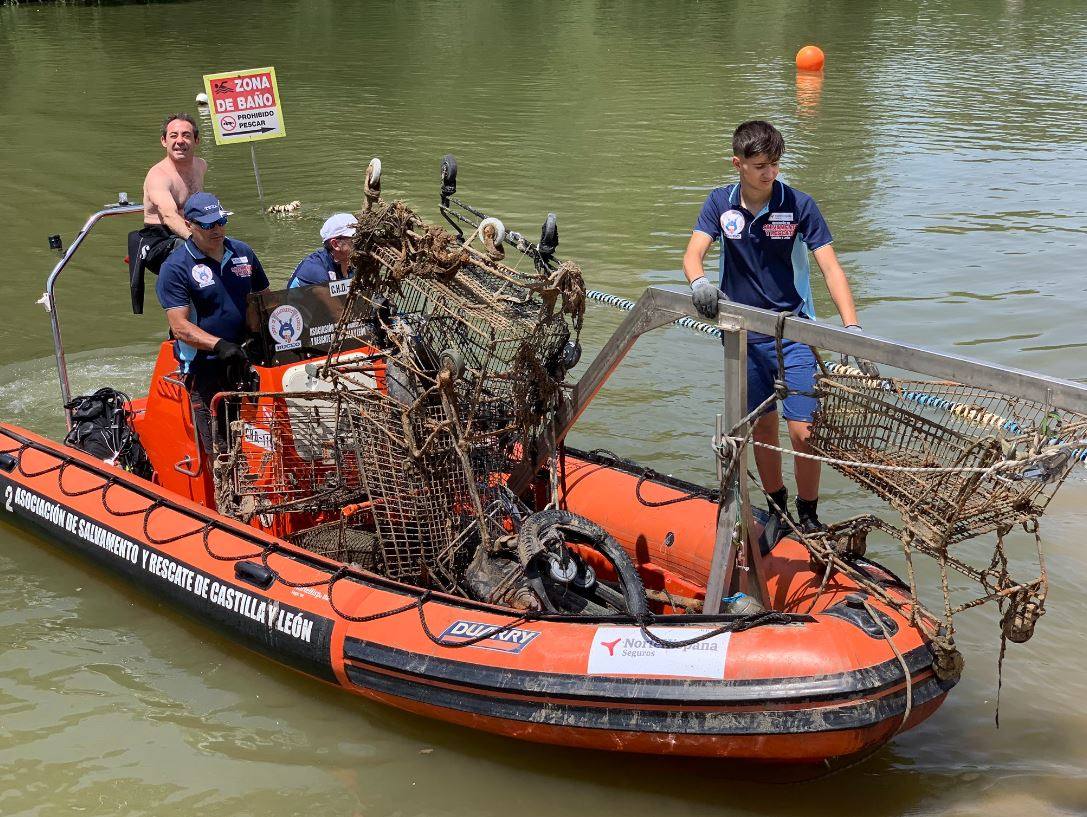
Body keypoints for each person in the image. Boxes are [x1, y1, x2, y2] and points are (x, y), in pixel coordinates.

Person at [682, 120, 876, 539]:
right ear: (738, 164)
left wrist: (852, 328)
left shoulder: (798, 205)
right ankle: (776, 507)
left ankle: (809, 515)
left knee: (804, 431)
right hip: (742, 334)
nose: (769, 174)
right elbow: (693, 254)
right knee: (762, 427)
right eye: (759, 166)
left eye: (774, 165)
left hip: (795, 331)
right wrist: (698, 284)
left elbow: (830, 267)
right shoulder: (720, 204)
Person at [156, 192, 269, 455]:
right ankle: (226, 494)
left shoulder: (243, 253)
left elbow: (262, 301)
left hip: (245, 360)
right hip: (204, 368)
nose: (217, 229)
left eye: (221, 221)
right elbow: (180, 327)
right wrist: (219, 346)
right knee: (222, 450)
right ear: (189, 225)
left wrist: (260, 337)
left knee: (260, 438)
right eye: (208, 225)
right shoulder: (176, 267)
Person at [128, 113, 208, 314]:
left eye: (186, 135)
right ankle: (183, 326)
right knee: (191, 254)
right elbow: (170, 216)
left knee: (236, 251)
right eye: (173, 136)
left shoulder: (201, 166)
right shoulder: (159, 175)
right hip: (160, 239)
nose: (180, 141)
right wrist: (199, 241)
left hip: (194, 232)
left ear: (196, 140)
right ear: (164, 141)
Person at [287, 213, 358, 288]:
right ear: (335, 244)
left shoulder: (348, 262)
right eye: (355, 239)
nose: (362, 242)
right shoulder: (314, 269)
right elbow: (335, 299)